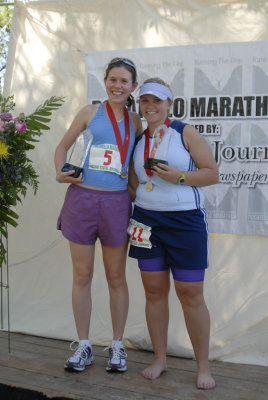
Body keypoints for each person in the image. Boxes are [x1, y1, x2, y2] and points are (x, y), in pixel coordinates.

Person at [127, 78, 218, 389]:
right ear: (139, 104)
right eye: (145, 101)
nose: (150, 106)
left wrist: (180, 177)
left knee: (190, 295)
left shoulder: (185, 132)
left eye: (157, 101)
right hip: (146, 222)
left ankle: (203, 367)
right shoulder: (138, 138)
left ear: (169, 104)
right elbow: (132, 181)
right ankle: (159, 359)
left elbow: (212, 173)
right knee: (153, 292)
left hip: (185, 223)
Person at [55, 57, 142, 373]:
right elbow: (62, 147)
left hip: (116, 204)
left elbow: (133, 164)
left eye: (124, 81)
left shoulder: (135, 121)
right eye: (113, 80)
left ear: (133, 86)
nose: (118, 86)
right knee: (82, 275)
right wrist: (60, 172)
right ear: (105, 81)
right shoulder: (89, 112)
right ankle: (84, 345)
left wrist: (138, 195)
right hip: (82, 200)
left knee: (116, 277)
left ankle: (117, 346)